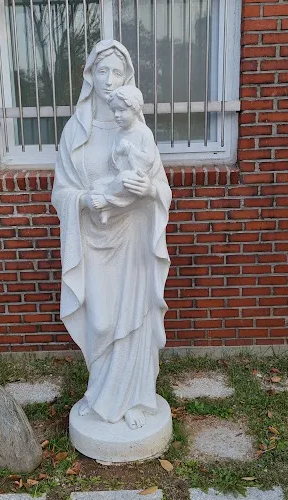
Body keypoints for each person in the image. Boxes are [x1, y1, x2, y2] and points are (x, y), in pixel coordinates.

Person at [51, 39, 171, 430]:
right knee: (101, 323)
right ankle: (101, 393)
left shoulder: (139, 130)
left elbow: (161, 188)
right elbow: (61, 192)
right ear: (90, 75)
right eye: (102, 71)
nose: (109, 80)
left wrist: (148, 190)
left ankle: (132, 399)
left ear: (127, 78)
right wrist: (84, 199)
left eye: (117, 72)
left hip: (133, 236)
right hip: (92, 236)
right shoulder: (75, 131)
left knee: (132, 319)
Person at [90, 85, 158, 225]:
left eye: (121, 110)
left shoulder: (144, 133)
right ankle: (109, 210)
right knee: (97, 184)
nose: (116, 115)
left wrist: (130, 150)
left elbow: (149, 160)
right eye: (114, 110)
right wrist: (117, 154)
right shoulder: (120, 133)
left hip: (135, 176)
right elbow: (114, 162)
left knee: (125, 179)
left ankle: (106, 201)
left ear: (135, 109)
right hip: (120, 175)